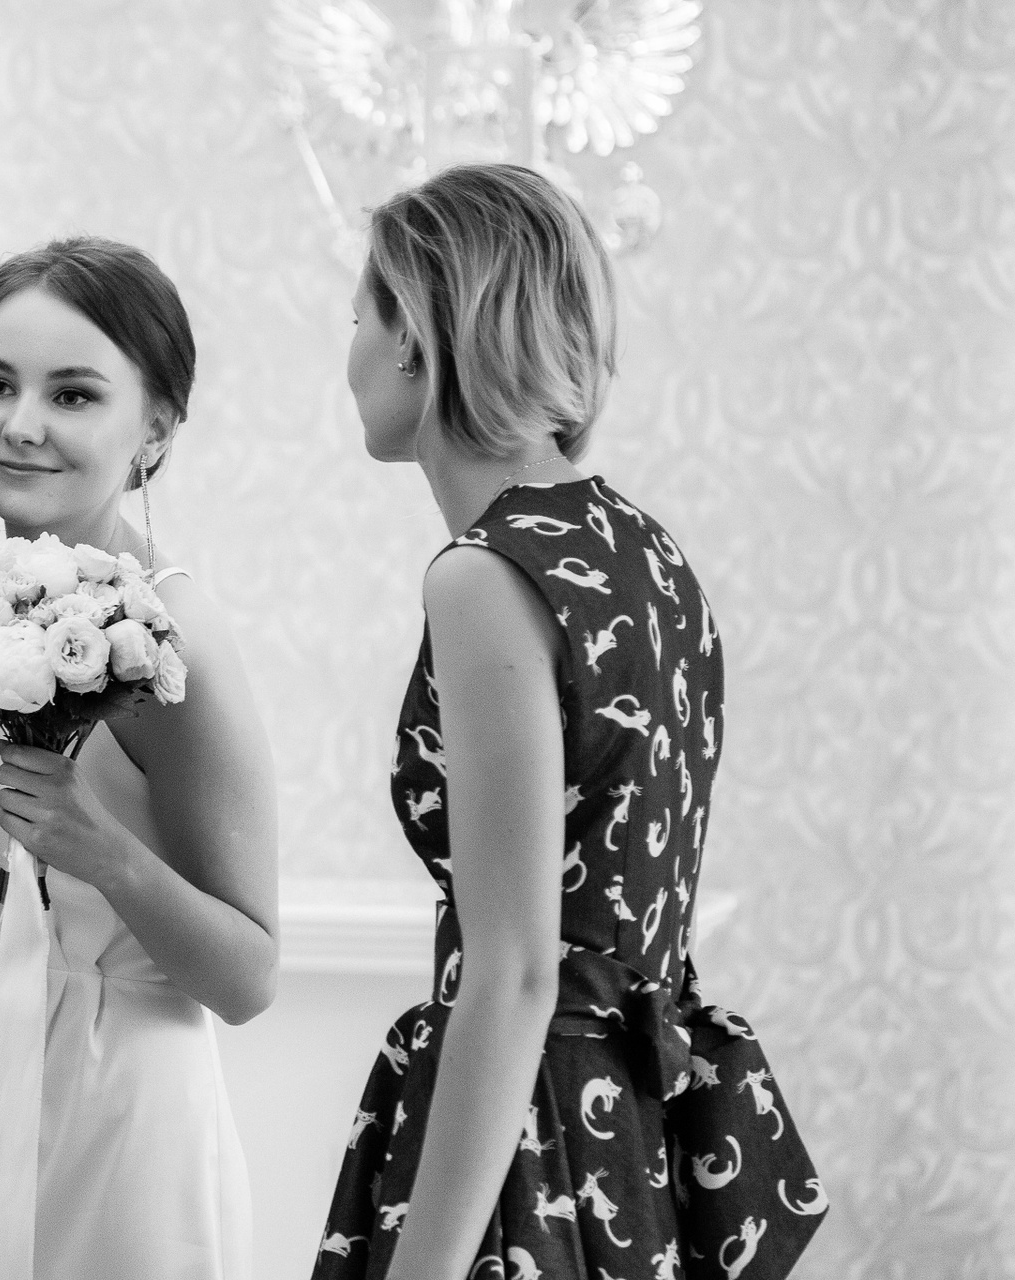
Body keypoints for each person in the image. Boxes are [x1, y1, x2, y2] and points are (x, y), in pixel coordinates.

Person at [314, 164, 825, 1280]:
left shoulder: (484, 575)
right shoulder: (650, 554)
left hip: (534, 1146)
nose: (348, 355)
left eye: (358, 320)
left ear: (416, 340)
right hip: (632, 1136)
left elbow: (515, 975)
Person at [0, 236, 279, 1279]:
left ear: (153, 428)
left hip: (125, 1117)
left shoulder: (172, 636)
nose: (19, 425)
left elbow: (248, 974)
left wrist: (100, 848)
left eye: (71, 395)